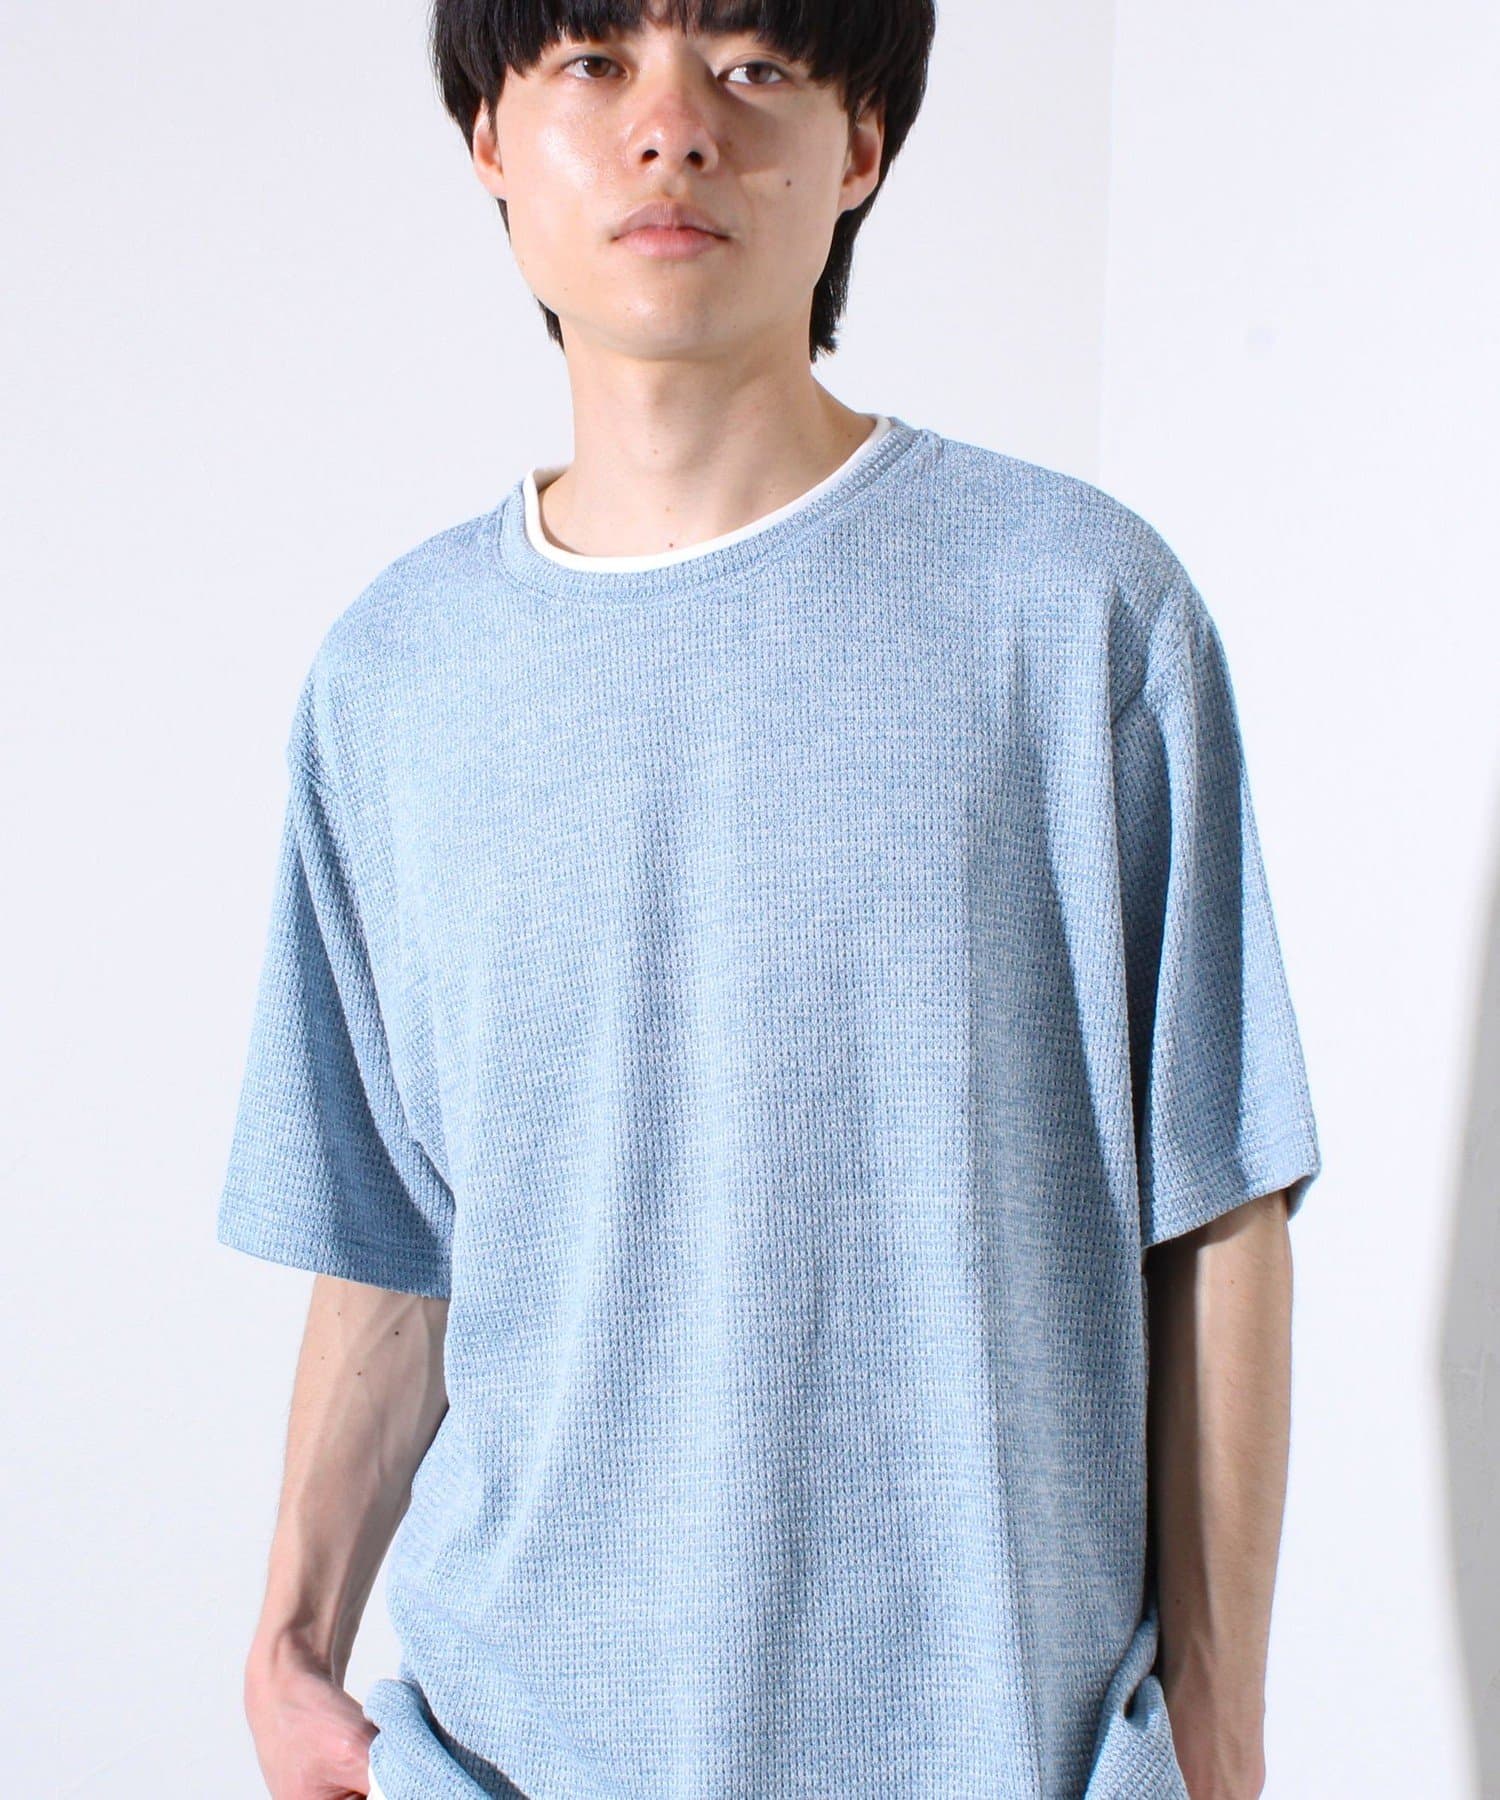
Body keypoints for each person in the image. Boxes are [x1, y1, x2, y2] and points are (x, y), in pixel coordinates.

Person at [216, 1, 1324, 1796]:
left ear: (860, 144)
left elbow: (1218, 1203)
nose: (673, 128)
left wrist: (1222, 1734)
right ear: (489, 140)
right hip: (512, 1756)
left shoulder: (1080, 614)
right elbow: (395, 1242)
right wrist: (287, 1645)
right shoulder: (392, 679)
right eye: (592, 63)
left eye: (752, 67)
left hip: (998, 1754)